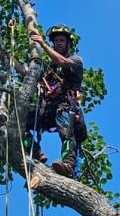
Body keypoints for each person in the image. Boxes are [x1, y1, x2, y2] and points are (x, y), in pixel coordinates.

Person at [23, 25, 87, 178]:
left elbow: (63, 63)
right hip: (48, 110)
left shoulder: (75, 61)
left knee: (66, 133)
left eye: (62, 40)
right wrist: (10, 60)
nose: (58, 43)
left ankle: (68, 166)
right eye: (56, 40)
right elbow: (28, 73)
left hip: (65, 107)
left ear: (68, 44)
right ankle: (35, 151)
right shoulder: (49, 69)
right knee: (20, 122)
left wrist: (43, 44)